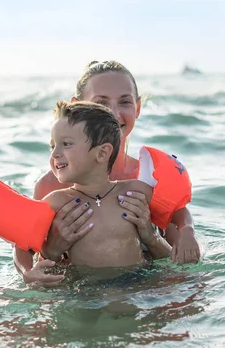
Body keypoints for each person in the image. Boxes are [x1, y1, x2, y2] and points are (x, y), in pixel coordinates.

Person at [15, 61, 200, 286]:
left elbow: (176, 242)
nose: (112, 112)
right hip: (81, 291)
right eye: (101, 103)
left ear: (138, 108)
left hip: (143, 288)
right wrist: (48, 252)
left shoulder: (146, 180)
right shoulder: (52, 188)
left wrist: (186, 232)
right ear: (77, 107)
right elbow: (25, 248)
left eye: (124, 102)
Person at [42, 100, 153, 268]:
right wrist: (50, 252)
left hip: (138, 285)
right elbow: (34, 259)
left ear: (102, 153)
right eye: (52, 146)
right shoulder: (55, 203)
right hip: (84, 292)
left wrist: (151, 237)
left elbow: (172, 256)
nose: (55, 154)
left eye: (66, 144)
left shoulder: (136, 193)